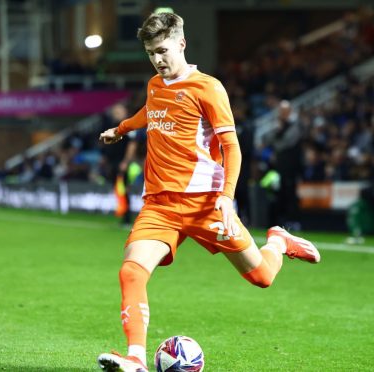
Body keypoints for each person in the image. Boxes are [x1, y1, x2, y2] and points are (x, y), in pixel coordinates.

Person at [96, 12, 321, 372]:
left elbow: (232, 147)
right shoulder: (156, 85)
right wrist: (121, 129)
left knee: (261, 277)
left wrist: (227, 198)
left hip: (206, 204)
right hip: (160, 205)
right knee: (131, 272)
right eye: (151, 53)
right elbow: (150, 112)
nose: (158, 59)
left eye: (163, 50)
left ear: (181, 44)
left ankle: (278, 241)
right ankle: (135, 358)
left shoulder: (208, 88)